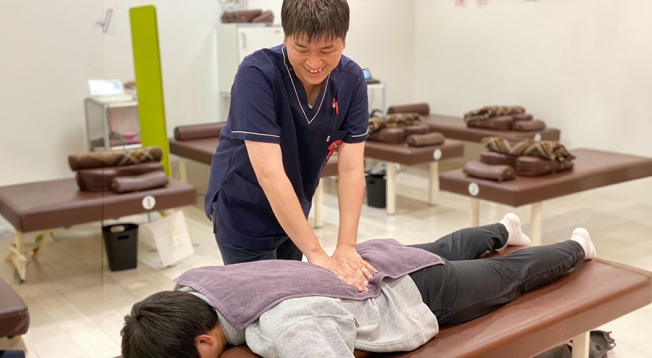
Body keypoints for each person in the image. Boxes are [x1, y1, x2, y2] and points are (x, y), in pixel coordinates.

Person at [120, 214, 597, 358]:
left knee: (507, 278)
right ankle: (503, 229)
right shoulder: (195, 283)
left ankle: (578, 246)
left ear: (205, 340)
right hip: (370, 259)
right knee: (441, 244)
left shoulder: (281, 325)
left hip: (413, 289)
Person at [204, 0, 374, 292]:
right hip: (244, 207)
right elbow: (270, 174)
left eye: (327, 51)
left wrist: (346, 246)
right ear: (284, 37)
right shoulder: (256, 74)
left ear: (344, 42)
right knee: (262, 305)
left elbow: (350, 167)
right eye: (302, 49)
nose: (314, 63)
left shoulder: (351, 79)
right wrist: (317, 254)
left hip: (295, 206)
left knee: (295, 295)